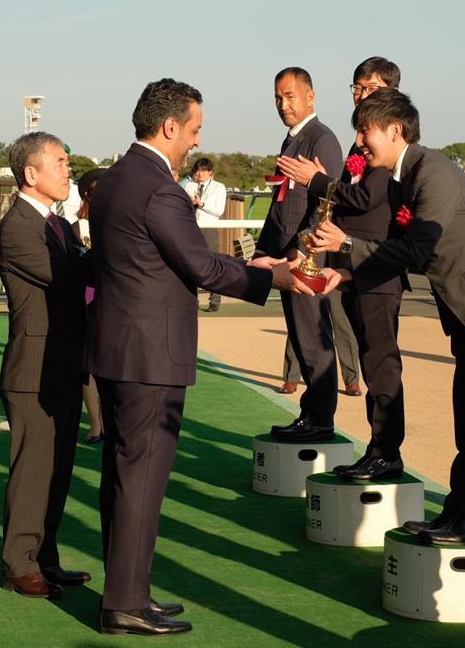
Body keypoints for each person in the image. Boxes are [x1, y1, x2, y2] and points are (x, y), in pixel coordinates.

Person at [86, 78, 333, 636]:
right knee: (141, 479)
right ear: (170, 127)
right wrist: (276, 275)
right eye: (194, 130)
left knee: (124, 477)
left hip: (121, 347)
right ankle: (124, 602)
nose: (197, 140)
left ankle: (130, 592)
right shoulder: (158, 188)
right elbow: (200, 265)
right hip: (150, 354)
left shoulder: (117, 178)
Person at [309, 89, 465, 543]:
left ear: (395, 130)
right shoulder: (401, 178)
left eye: (364, 131)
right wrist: (348, 277)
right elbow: (397, 249)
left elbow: (417, 248)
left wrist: (347, 247)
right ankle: (457, 512)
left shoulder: (431, 171)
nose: (358, 142)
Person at [277, 55, 408, 476]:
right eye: (357, 88)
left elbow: (368, 198)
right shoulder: (359, 141)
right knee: (371, 361)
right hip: (352, 265)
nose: (361, 95)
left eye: (371, 88)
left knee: (380, 364)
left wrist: (317, 180)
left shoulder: (389, 142)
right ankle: (377, 447)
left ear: (393, 93)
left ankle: (386, 450)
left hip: (377, 264)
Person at [0, 132, 91, 600]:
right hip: (33, 368)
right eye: (58, 161)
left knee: (57, 470)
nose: (67, 168)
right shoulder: (17, 226)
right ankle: (19, 563)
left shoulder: (56, 223)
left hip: (63, 363)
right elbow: (68, 276)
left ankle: (44, 558)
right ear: (31, 174)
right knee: (34, 470)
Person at [259, 66, 346, 443]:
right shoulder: (292, 140)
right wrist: (265, 249)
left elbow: (326, 202)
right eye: (278, 97)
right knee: (300, 334)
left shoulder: (321, 139)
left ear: (310, 97)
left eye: (290, 96)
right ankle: (311, 413)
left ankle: (320, 418)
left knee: (313, 334)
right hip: (286, 256)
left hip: (306, 257)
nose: (283, 104)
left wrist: (300, 248)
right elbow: (283, 203)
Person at [72, 167, 105, 444]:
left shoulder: (121, 221)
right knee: (87, 366)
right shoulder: (76, 227)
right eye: (95, 191)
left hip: (113, 299)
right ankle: (96, 422)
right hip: (88, 299)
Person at [182, 158, 228, 311]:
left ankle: (214, 301)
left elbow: (219, 210)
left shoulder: (218, 187)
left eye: (203, 170)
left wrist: (202, 204)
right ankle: (191, 301)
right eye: (197, 170)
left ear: (210, 172)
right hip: (191, 229)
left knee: (212, 263)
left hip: (209, 228)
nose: (200, 173)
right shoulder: (189, 186)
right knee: (190, 264)